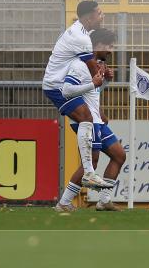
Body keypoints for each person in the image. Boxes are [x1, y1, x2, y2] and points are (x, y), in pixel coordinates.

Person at [42, 0, 113, 191]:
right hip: (56, 85)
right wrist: (102, 76)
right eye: (99, 13)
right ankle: (89, 172)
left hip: (58, 82)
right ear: (90, 17)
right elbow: (93, 73)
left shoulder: (81, 32)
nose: (102, 16)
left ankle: (87, 173)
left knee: (87, 118)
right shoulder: (80, 37)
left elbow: (93, 70)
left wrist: (101, 74)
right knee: (86, 117)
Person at [55, 28, 127, 212]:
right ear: (96, 45)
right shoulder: (79, 65)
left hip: (97, 121)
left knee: (119, 155)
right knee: (91, 163)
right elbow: (67, 90)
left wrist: (106, 82)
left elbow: (92, 92)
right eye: (109, 45)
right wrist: (94, 83)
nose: (111, 50)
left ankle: (104, 201)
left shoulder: (96, 66)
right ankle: (64, 203)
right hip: (86, 122)